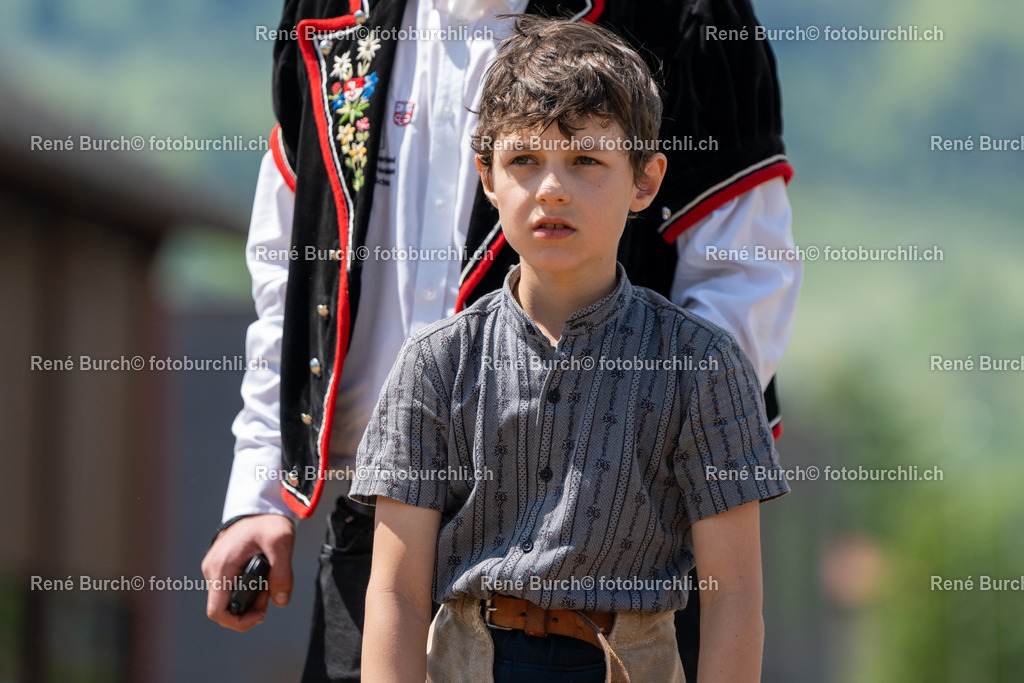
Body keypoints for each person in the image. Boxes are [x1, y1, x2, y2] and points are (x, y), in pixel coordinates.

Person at [201, 1, 801, 681]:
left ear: (645, 176)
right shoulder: (330, 7)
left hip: (617, 562)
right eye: (524, 160)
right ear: (491, 173)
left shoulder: (689, 11)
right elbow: (290, 255)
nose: (552, 186)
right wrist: (260, 481)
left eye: (584, 158)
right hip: (381, 530)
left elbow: (744, 276)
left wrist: (602, 483)